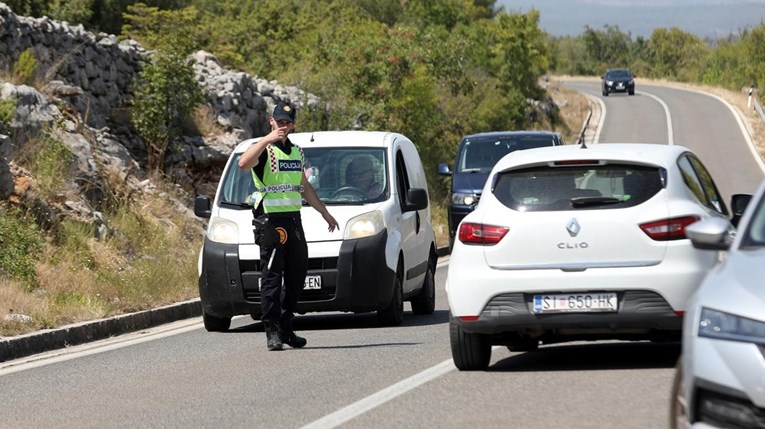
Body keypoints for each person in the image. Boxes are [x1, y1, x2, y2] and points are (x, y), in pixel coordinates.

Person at [238, 101, 339, 351]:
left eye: (287, 122)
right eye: (278, 121)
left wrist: (324, 213)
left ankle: (286, 325)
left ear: (293, 124)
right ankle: (271, 330)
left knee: (297, 275)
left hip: (293, 219)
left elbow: (303, 186)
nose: (283, 126)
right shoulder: (263, 150)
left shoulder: (296, 152)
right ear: (271, 121)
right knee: (271, 276)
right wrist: (266, 139)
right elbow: (243, 163)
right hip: (271, 221)